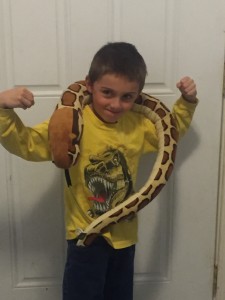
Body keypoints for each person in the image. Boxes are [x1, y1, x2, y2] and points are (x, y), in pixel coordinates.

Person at [0, 42, 198, 300]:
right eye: (107, 92)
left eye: (127, 97)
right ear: (89, 85)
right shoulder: (70, 122)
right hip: (85, 238)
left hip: (124, 240)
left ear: (137, 96)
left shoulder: (138, 126)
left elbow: (172, 131)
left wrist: (187, 101)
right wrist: (3, 108)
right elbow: (27, 144)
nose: (116, 104)